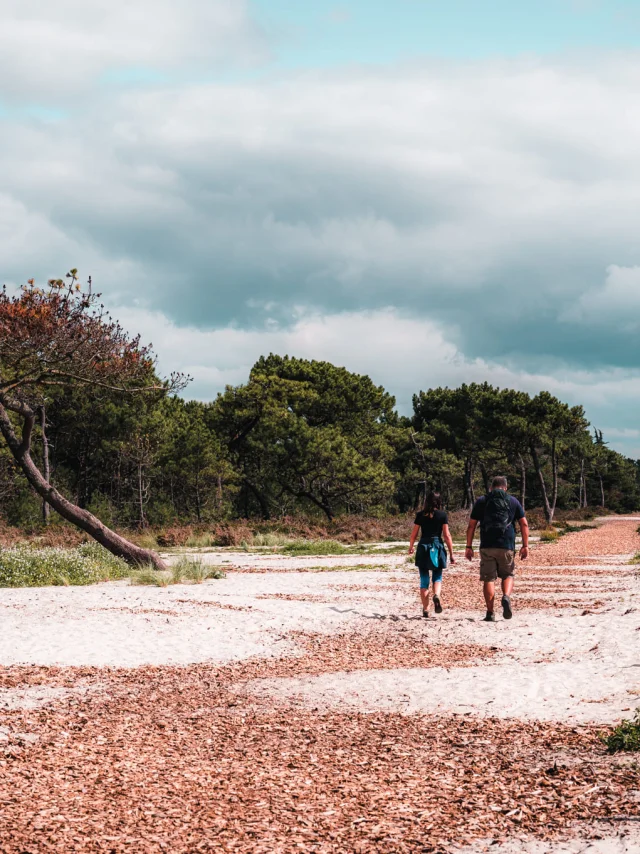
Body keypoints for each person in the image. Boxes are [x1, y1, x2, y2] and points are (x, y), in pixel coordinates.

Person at [465, 475, 529, 622]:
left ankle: (490, 612)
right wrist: (525, 546)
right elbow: (524, 524)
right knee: (508, 574)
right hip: (506, 544)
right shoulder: (513, 501)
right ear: (505, 488)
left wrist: (468, 546)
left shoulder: (482, 501)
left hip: (487, 545)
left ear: (491, 487)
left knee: (489, 578)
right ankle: (506, 596)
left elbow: (471, 526)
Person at [409, 491, 455, 618]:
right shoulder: (442, 515)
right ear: (439, 502)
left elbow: (414, 534)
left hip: (423, 546)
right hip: (437, 546)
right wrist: (451, 553)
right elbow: (447, 535)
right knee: (437, 576)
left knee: (424, 580)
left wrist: (411, 546)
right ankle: (437, 595)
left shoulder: (420, 515)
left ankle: (426, 609)